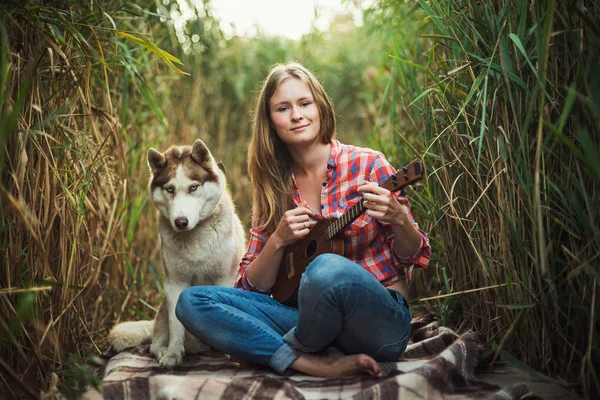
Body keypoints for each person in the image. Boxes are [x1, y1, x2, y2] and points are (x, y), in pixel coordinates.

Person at [176, 62, 430, 378]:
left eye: (304, 103)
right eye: (283, 108)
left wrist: (399, 219)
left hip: (379, 326)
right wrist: (279, 240)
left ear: (320, 107)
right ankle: (308, 362)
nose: (296, 115)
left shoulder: (368, 164)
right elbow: (249, 289)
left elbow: (415, 253)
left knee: (325, 269)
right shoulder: (273, 188)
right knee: (192, 301)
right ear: (271, 121)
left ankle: (286, 348)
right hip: (308, 320)